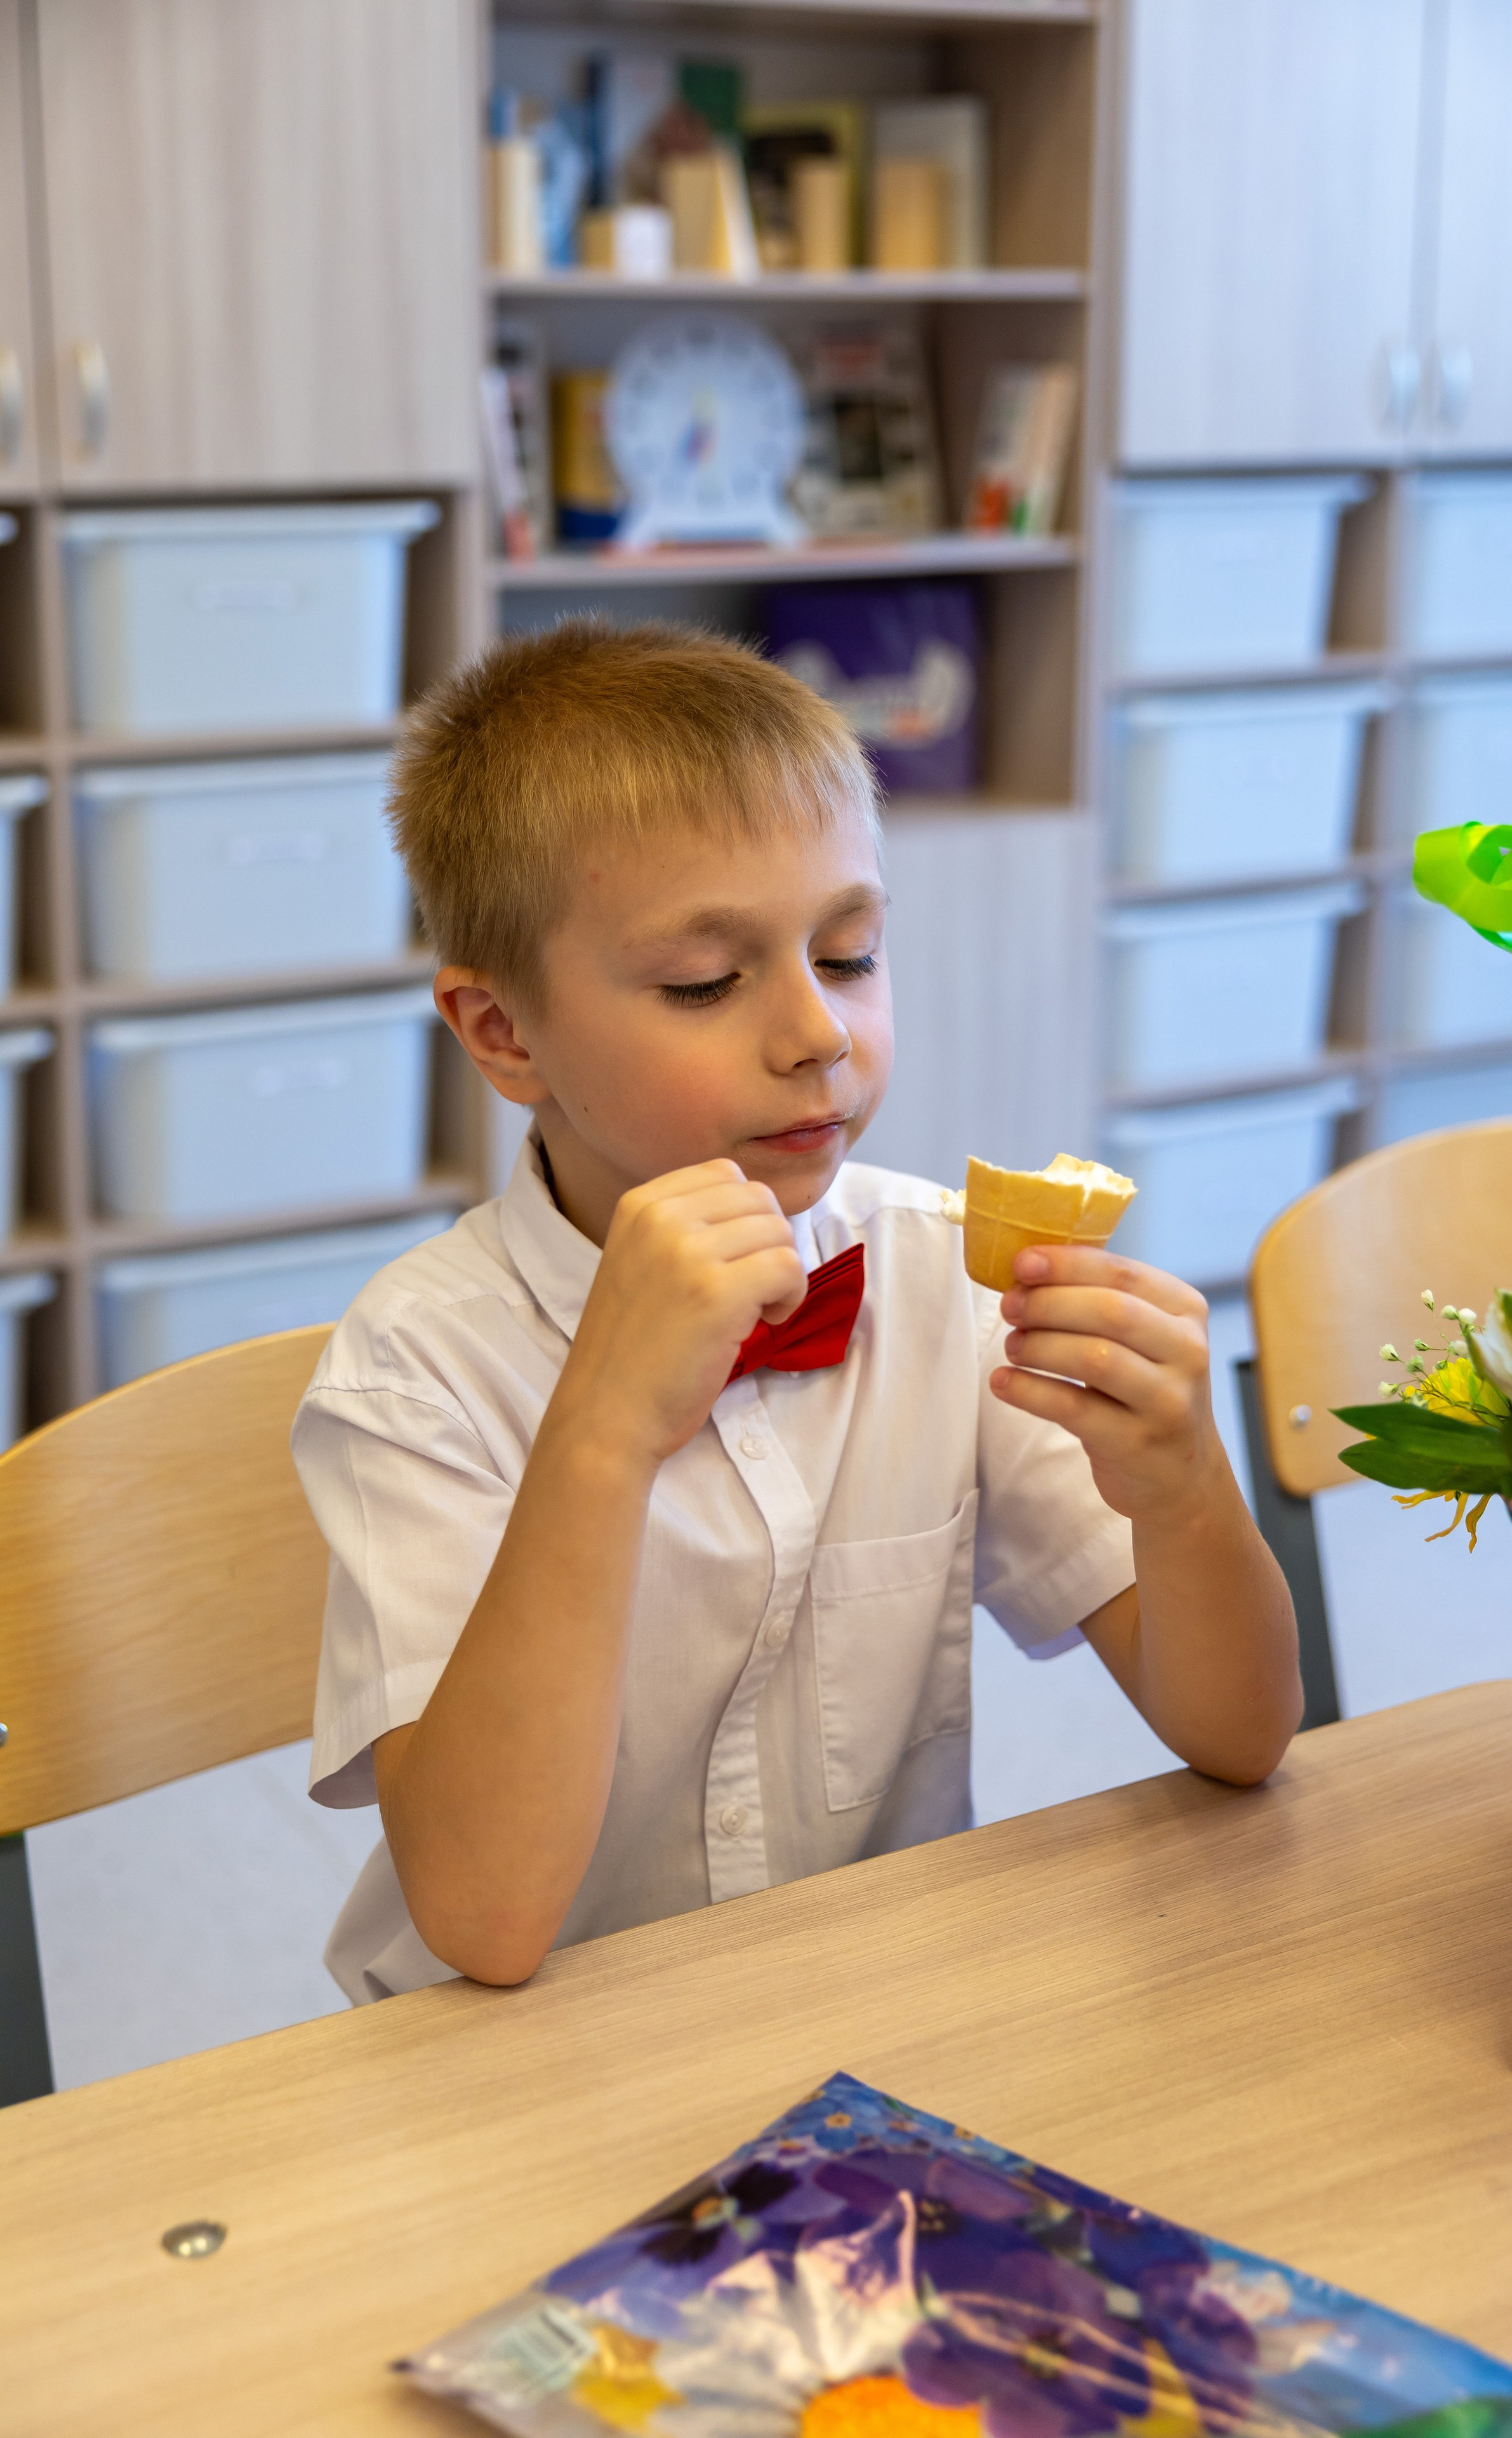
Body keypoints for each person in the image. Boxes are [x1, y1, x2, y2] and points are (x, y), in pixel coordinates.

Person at [293, 620, 1301, 2004]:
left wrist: (1183, 1488)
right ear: (503, 1035)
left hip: (866, 2022)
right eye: (705, 981)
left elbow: (1240, 1737)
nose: (816, 1033)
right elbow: (483, 1920)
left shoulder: (943, 1279)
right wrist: (595, 1436)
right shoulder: (416, 1372)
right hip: (509, 2074)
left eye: (849, 954)